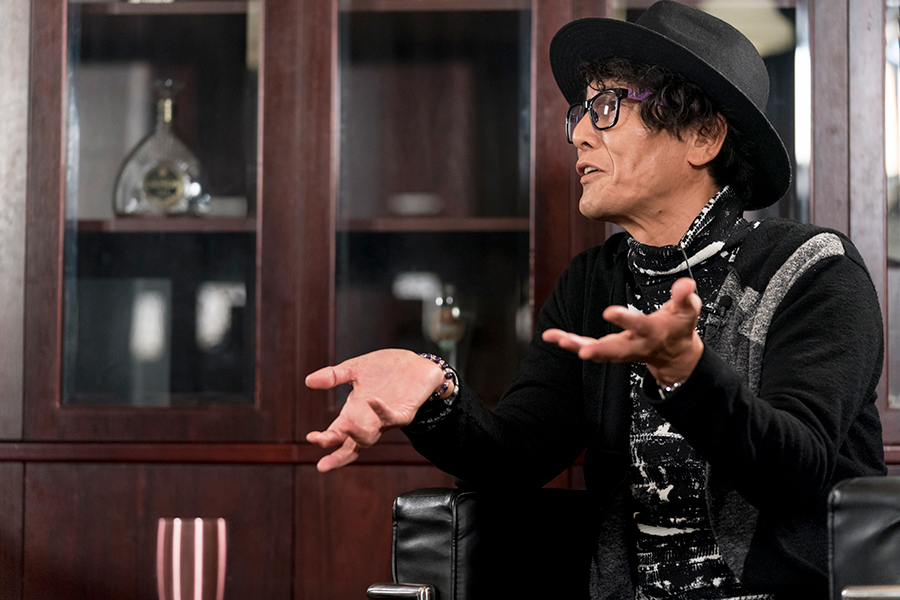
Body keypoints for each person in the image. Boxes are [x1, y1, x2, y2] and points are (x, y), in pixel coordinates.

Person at [306, 1, 886, 598]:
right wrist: (435, 395)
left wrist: (688, 376)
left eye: (607, 107)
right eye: (581, 112)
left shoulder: (814, 270)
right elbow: (517, 458)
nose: (580, 132)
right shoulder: (594, 283)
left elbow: (796, 471)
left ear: (703, 135)